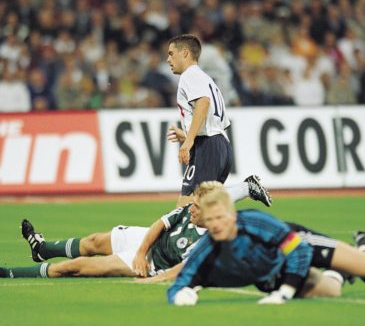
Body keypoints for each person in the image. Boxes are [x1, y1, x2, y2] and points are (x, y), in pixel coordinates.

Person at [0, 177, 272, 280]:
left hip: (149, 263)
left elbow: (179, 271)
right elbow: (158, 225)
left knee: (74, 266)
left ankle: (9, 274)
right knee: (94, 241)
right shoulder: (191, 210)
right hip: (145, 241)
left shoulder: (209, 240)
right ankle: (42, 249)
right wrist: (141, 249)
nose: (190, 208)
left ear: (210, 213)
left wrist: (147, 269)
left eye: (197, 208)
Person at [167, 187, 365, 305]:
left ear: (233, 215)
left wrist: (285, 292)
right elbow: (181, 282)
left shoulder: (255, 222)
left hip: (298, 243)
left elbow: (299, 250)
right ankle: (341, 272)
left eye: (220, 217)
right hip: (272, 271)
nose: (216, 224)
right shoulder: (206, 249)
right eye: (210, 220)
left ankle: (361, 248)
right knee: (332, 291)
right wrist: (181, 295)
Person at [166, 34, 233, 207]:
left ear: (185, 53)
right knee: (202, 208)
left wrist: (188, 142)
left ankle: (245, 189)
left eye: (171, 53)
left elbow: (203, 103)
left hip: (208, 147)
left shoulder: (190, 75)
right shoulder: (205, 78)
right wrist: (188, 135)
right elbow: (214, 121)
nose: (168, 59)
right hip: (218, 144)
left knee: (190, 209)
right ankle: (245, 189)